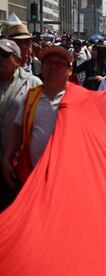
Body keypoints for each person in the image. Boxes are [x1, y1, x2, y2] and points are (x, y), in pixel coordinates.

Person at [2, 46, 72, 192]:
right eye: (48, 62)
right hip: (32, 178)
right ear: (42, 67)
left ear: (69, 71)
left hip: (67, 179)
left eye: (60, 63)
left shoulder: (81, 99)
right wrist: (7, 157)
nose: (53, 66)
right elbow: (17, 128)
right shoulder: (32, 96)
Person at [0, 39, 42, 210]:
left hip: (17, 165)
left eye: (4, 55)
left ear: (17, 60)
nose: (0, 58)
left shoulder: (34, 84)